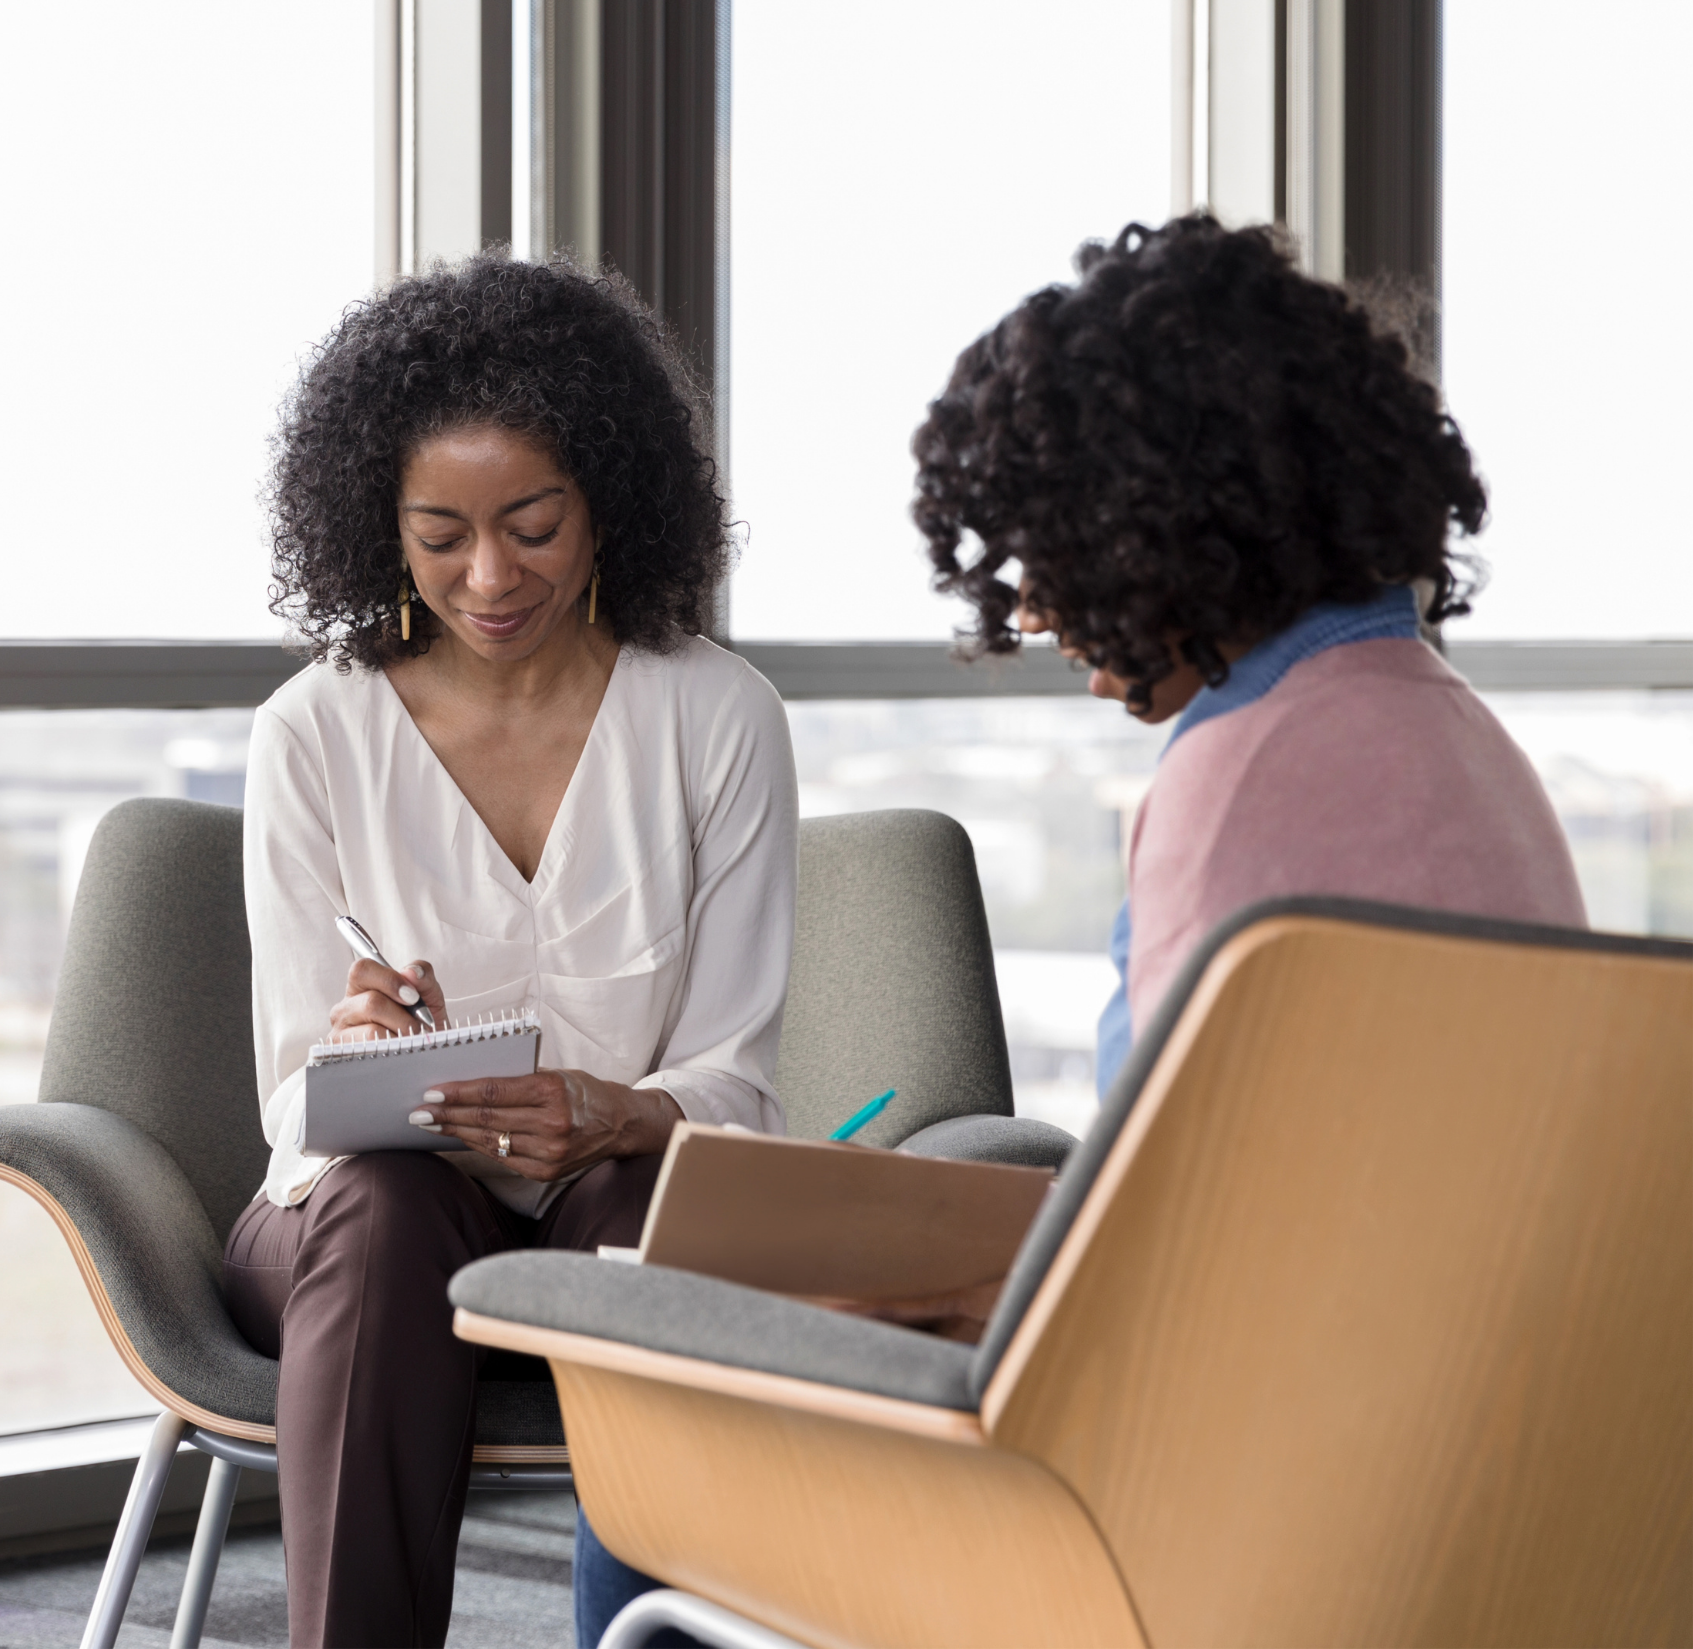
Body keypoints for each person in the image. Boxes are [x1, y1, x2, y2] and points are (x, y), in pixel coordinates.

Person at [225, 253, 797, 1649]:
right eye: (440, 533)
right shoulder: (314, 731)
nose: (489, 577)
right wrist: (357, 1053)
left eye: (534, 524)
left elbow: (737, 1079)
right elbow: (294, 1113)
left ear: (610, 502)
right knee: (383, 1199)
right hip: (348, 1222)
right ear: (379, 524)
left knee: (650, 1224)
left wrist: (623, 1112)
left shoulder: (717, 716)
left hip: (605, 1192)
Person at [912, 214, 1585, 1073]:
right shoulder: (1466, 740)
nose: (1031, 613)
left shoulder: (1232, 777)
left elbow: (1159, 1184)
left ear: (1148, 525)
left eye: (1044, 546)